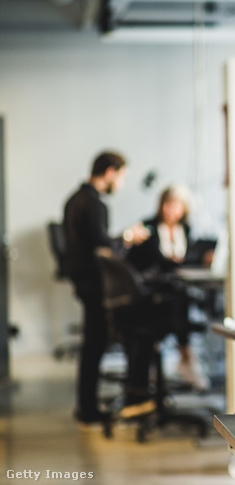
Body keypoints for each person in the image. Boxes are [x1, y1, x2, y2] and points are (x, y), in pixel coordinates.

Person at [63, 151, 149, 425]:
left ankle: (86, 406)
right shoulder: (94, 204)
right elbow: (103, 249)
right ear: (110, 172)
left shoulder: (75, 200)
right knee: (95, 346)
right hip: (95, 285)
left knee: (93, 345)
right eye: (121, 176)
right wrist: (128, 237)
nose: (121, 184)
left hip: (84, 282)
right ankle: (89, 410)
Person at [126, 184, 210, 391]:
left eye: (175, 205)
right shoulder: (148, 227)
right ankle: (184, 356)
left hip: (174, 289)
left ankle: (180, 358)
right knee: (179, 301)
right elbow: (154, 260)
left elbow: (187, 257)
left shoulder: (186, 229)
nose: (170, 210)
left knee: (181, 297)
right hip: (149, 291)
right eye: (167, 204)